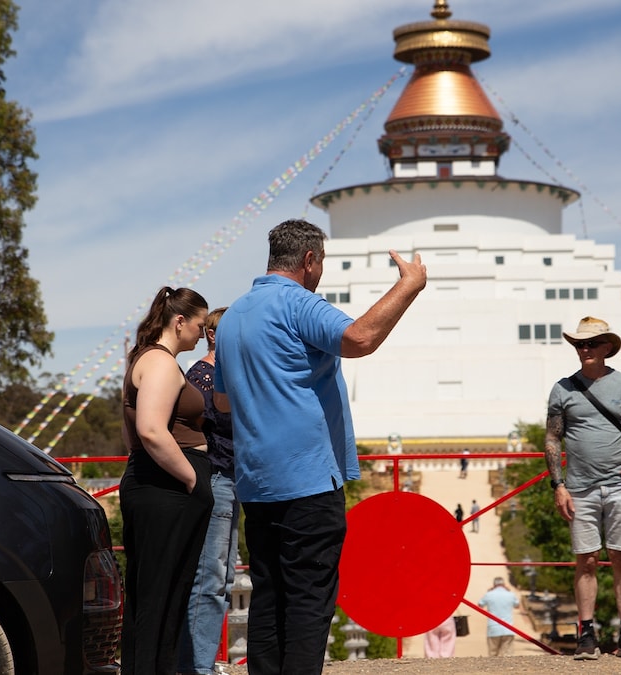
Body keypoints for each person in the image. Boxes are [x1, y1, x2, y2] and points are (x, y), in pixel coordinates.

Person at [213, 218, 426, 675]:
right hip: (307, 478)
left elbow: (223, 400)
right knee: (310, 600)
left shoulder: (233, 318)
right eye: (322, 262)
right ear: (309, 260)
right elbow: (360, 338)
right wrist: (409, 285)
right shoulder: (297, 302)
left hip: (255, 481)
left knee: (269, 597)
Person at [543, 316, 621, 661]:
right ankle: (587, 634)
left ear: (608, 347)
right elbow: (553, 438)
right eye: (580, 344)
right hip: (579, 488)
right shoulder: (562, 388)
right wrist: (558, 486)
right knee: (587, 560)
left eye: (592, 343)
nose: (585, 349)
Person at [118, 286, 215, 675]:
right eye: (199, 324)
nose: (202, 331)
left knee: (156, 595)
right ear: (179, 322)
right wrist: (194, 480)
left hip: (156, 484)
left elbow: (132, 436)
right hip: (168, 488)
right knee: (162, 597)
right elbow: (150, 431)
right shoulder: (159, 363)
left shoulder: (145, 359)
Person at [178, 307, 236, 675]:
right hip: (216, 477)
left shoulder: (224, 375)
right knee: (211, 577)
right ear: (214, 334)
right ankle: (197, 665)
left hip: (230, 478)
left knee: (222, 577)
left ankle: (201, 662)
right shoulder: (203, 375)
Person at [478, 577, 520, 657]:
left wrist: (489, 592)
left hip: (493, 628)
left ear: (494, 584)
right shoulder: (510, 594)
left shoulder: (489, 595)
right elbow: (517, 606)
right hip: (508, 628)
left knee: (493, 655)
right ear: (504, 584)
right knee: (508, 654)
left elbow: (480, 605)